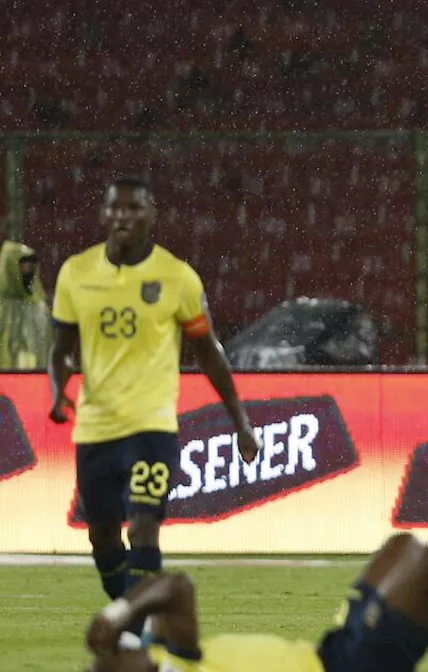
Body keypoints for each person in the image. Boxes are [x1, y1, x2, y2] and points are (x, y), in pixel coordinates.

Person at [48, 177, 262, 634]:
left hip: (152, 426)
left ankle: (137, 637)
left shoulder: (178, 277)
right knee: (102, 537)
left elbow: (208, 351)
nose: (124, 216)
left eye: (134, 208)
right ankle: (139, 625)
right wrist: (57, 387)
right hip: (95, 429)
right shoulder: (75, 273)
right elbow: (61, 348)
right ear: (104, 215)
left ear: (152, 216)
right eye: (115, 208)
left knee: (143, 527)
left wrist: (240, 421)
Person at [84, 533, 428, 672]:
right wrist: (120, 617)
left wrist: (117, 613)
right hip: (346, 668)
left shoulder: (166, 650)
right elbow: (174, 588)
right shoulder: (174, 659)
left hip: (329, 650)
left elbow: (176, 585)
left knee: (403, 548)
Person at [0, 229, 51, 370]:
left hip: (32, 380)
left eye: (30, 265)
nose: (27, 270)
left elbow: (46, 346)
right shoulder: (3, 307)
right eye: (22, 265)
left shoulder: (39, 307)